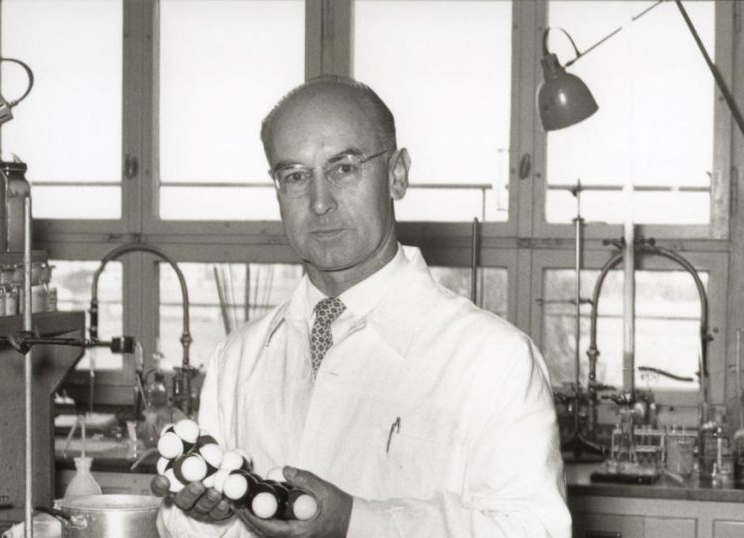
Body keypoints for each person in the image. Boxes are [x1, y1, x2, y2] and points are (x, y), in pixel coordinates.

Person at [154, 75, 570, 537]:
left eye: (344, 168)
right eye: (295, 176)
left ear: (397, 174)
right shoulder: (238, 358)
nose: (319, 202)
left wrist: (356, 523)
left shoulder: (494, 360)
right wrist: (200, 515)